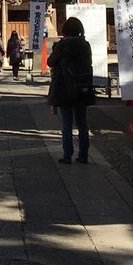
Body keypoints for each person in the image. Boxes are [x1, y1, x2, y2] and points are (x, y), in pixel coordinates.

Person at [47, 17, 95, 164]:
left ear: (65, 30)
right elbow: (89, 63)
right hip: (82, 87)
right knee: (82, 123)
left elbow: (50, 62)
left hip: (64, 88)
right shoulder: (85, 45)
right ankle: (83, 155)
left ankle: (67, 155)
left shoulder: (61, 46)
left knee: (66, 124)